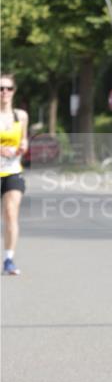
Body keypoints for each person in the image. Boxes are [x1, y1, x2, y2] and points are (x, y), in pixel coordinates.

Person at [0, 72, 29, 276]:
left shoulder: (21, 116)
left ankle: (9, 259)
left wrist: (22, 147)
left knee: (11, 213)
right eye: (0, 89)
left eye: (8, 88)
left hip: (12, 170)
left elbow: (24, 140)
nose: (4, 92)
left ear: (14, 91)